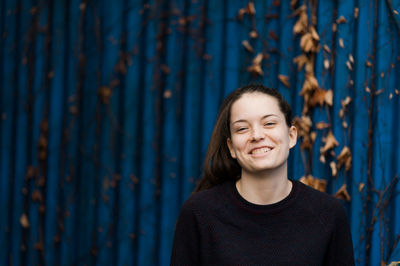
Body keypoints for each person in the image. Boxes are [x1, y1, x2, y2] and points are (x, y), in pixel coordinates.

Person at [170, 84, 355, 265]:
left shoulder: (327, 215)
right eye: (242, 128)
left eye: (269, 123)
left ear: (291, 136)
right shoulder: (200, 213)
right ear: (231, 147)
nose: (257, 135)